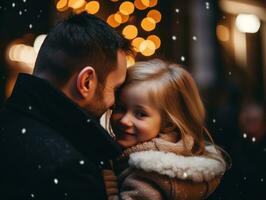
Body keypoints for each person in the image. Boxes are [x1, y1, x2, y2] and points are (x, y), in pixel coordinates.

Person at [0, 12, 131, 200]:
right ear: (86, 82)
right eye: (115, 89)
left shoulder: (9, 123)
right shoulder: (71, 170)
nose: (114, 104)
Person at [104, 59, 229, 200]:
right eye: (121, 108)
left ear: (168, 124)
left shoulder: (148, 175)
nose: (124, 120)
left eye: (140, 114)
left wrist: (109, 188)